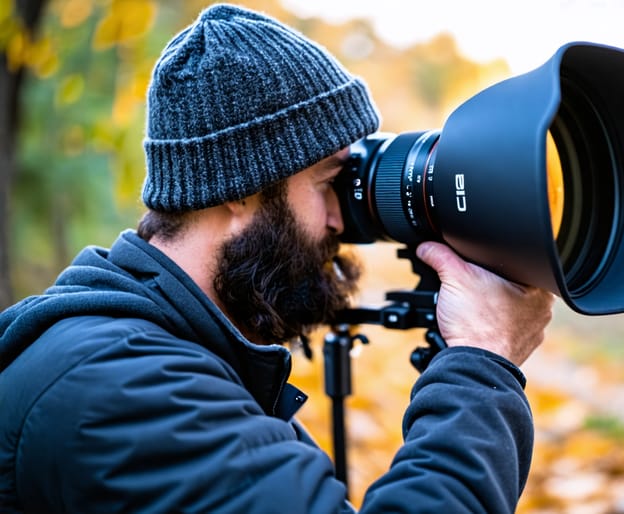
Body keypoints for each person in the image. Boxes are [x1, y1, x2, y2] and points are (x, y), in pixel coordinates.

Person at [0, 4, 554, 513]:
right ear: (239, 192)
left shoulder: (161, 346)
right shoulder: (119, 389)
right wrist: (483, 362)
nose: (343, 222)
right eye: (327, 184)